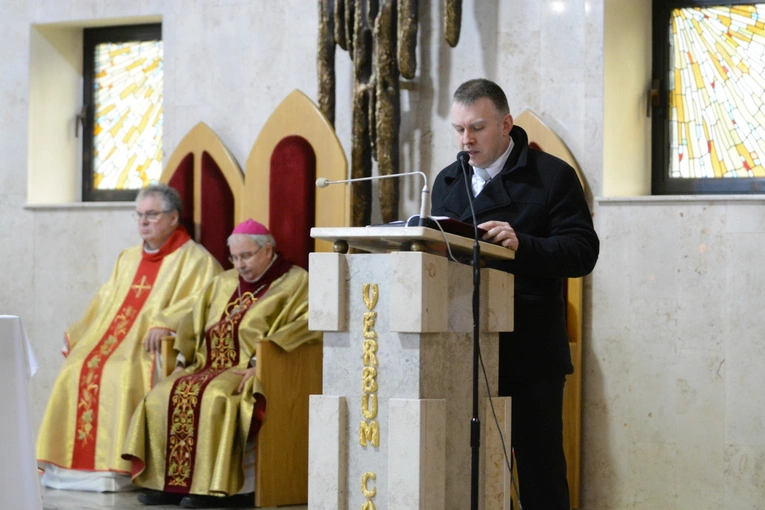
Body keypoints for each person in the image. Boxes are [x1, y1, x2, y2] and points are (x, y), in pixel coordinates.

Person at [430, 79, 599, 509]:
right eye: (458, 130)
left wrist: (523, 244)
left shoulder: (552, 177)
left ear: (506, 124)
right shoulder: (447, 181)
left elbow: (582, 252)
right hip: (462, 348)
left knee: (540, 473)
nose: (466, 140)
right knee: (470, 467)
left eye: (477, 128)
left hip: (529, 352)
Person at [37, 184, 222, 492]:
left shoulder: (195, 259)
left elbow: (207, 300)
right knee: (76, 367)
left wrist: (169, 323)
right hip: (112, 343)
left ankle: (121, 468)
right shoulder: (128, 257)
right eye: (139, 215)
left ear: (173, 218)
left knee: (121, 374)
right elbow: (103, 301)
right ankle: (72, 465)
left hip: (149, 348)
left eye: (151, 214)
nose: (143, 222)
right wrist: (79, 333)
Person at [123, 219, 321, 508]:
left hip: (252, 369)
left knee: (216, 399)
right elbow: (194, 322)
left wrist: (262, 365)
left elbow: (304, 325)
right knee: (159, 396)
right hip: (205, 365)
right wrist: (181, 361)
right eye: (234, 257)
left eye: (246, 256)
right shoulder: (223, 282)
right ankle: (167, 485)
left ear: (268, 250)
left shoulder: (296, 282)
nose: (239, 264)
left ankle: (219, 489)